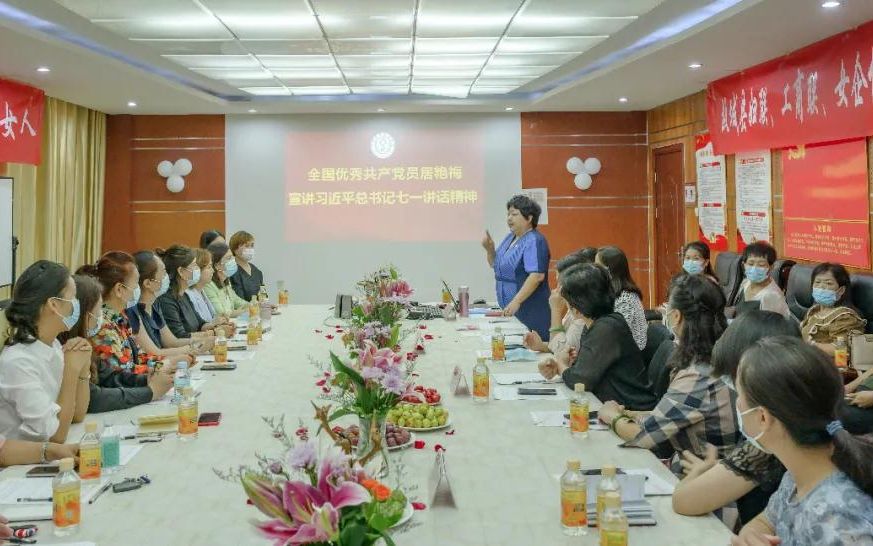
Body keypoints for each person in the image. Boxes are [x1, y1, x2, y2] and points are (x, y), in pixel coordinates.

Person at [731, 337, 873, 545]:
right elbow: (767, 519)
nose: (737, 404)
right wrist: (751, 533)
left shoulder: (838, 522)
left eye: (739, 395)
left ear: (763, 418)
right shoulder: (801, 473)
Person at [599, 274, 738, 473]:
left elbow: (643, 438)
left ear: (676, 316)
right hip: (696, 469)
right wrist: (629, 414)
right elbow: (672, 414)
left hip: (700, 477)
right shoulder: (715, 356)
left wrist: (612, 416)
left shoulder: (698, 374)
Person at [672, 311, 800, 527]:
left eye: (736, 386)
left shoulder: (765, 444)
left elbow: (683, 500)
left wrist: (700, 471)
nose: (737, 402)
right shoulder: (794, 424)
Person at [538, 264, 656, 410]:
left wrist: (561, 364)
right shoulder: (599, 322)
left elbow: (579, 381)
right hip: (610, 404)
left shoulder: (606, 328)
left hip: (630, 410)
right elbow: (584, 370)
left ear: (577, 307)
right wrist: (562, 366)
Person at [0, 261, 91, 442]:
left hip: (49, 453)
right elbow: (56, 435)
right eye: (73, 298)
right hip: (25, 458)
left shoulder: (54, 344)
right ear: (54, 305)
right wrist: (71, 370)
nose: (76, 305)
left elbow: (78, 415)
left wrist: (84, 366)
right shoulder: (18, 362)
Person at [61, 275, 174, 412]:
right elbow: (94, 397)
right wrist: (150, 392)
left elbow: (109, 376)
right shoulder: (69, 347)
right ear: (84, 315)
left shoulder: (89, 338)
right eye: (98, 311)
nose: (101, 318)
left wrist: (146, 379)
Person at [78, 252, 181, 387]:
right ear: (119, 289)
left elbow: (138, 358)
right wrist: (162, 367)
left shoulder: (120, 317)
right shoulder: (102, 326)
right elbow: (123, 372)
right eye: (136, 283)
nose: (138, 289)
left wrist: (169, 362)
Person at [481, 195, 551, 340]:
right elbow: (495, 264)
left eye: (514, 214)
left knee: (533, 347)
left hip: (529, 309)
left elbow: (537, 276)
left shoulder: (534, 240)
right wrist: (490, 249)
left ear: (529, 218)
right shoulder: (510, 237)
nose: (509, 218)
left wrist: (516, 301)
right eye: (508, 214)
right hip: (509, 308)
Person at [128, 250, 207, 359]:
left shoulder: (155, 304)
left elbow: (171, 342)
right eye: (163, 272)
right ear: (148, 283)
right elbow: (154, 353)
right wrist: (191, 348)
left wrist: (202, 341)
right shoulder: (132, 311)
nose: (167, 276)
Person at [524, 249, 594, 355]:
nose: (556, 289)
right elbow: (563, 344)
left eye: (560, 283)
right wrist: (541, 346)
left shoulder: (582, 314)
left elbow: (562, 353)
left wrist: (555, 310)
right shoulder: (573, 308)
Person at [156, 245, 226, 339]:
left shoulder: (184, 295)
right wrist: (214, 333)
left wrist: (218, 326)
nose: (198, 270)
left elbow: (201, 325)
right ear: (181, 271)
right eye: (194, 266)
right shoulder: (166, 300)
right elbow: (180, 335)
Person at [799, 262, 865, 356]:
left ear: (841, 290)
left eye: (828, 283)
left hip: (829, 362)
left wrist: (810, 346)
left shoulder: (846, 317)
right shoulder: (814, 311)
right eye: (817, 282)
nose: (821, 287)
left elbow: (842, 349)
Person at [595, 246, 647, 350]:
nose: (594, 271)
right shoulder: (612, 293)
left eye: (597, 266)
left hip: (630, 353)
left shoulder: (625, 298)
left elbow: (616, 334)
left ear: (609, 270)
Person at [732, 242, 789, 318]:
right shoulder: (746, 282)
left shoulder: (772, 296)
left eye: (761, 265)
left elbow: (773, 324)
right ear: (743, 264)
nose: (754, 268)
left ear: (771, 267)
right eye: (750, 264)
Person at [203, 241, 249, 318]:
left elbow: (238, 302)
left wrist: (257, 305)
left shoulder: (226, 282)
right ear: (217, 265)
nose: (233, 260)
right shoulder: (208, 285)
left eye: (232, 257)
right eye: (228, 258)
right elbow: (221, 313)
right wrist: (245, 311)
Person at [229, 231, 265, 302]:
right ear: (235, 249)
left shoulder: (257, 271)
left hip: (258, 308)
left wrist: (267, 305)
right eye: (246, 246)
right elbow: (239, 301)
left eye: (252, 245)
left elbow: (264, 297)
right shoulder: (231, 270)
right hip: (244, 308)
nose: (250, 249)